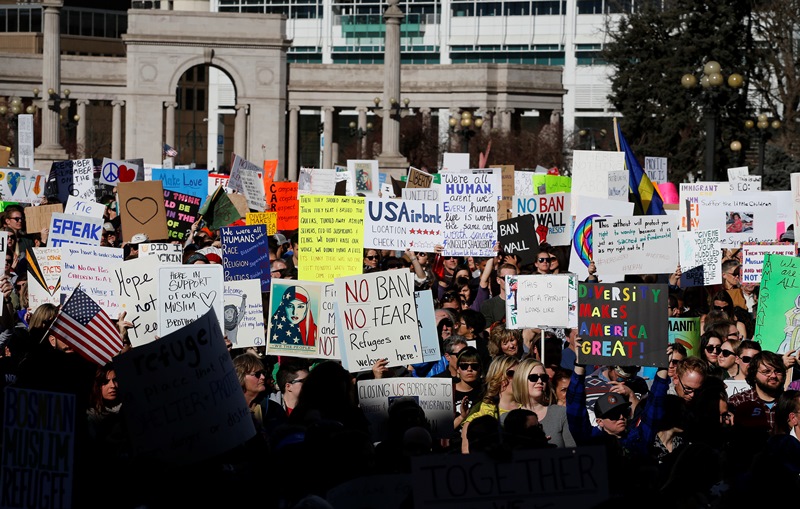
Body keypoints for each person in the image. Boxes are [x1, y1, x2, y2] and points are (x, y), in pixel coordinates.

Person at [460, 354, 520, 453]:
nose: (518, 378)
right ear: (498, 377)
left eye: (520, 374)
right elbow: (468, 459)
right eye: (511, 374)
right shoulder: (478, 417)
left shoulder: (530, 408)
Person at [511, 358, 575, 447]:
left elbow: (572, 452)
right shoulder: (509, 419)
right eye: (533, 378)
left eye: (544, 377)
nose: (540, 381)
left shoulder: (561, 413)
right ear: (521, 380)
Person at [728, 350, 786, 436]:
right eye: (766, 371)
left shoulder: (791, 401)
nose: (773, 375)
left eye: (778, 371)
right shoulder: (738, 401)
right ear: (754, 375)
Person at [232, 352, 287, 437]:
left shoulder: (273, 409)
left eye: (263, 373)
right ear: (240, 377)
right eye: (257, 374)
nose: (263, 377)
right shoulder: (228, 411)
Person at [452, 346, 484, 433]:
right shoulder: (448, 390)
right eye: (464, 366)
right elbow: (443, 430)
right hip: (455, 443)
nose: (469, 369)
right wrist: (462, 417)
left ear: (480, 368)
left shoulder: (485, 391)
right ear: (458, 369)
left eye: (474, 366)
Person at [479, 262, 518, 330]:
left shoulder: (524, 302)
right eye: (505, 278)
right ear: (498, 280)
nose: (510, 281)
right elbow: (488, 330)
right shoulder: (488, 305)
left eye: (513, 278)